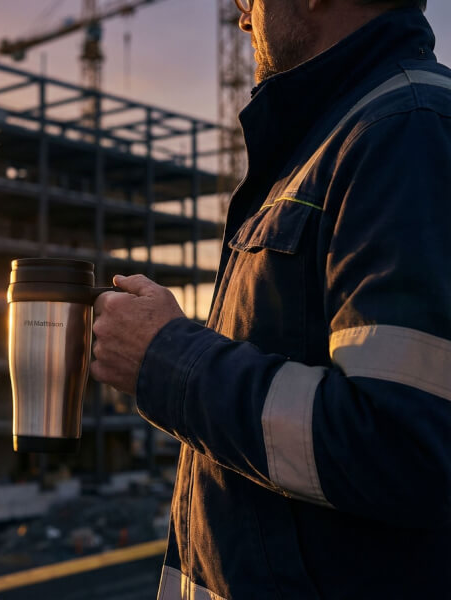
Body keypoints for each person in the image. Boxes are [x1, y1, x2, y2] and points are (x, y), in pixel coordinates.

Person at [91, 0, 450, 598]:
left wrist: (166, 358)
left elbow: (406, 444)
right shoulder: (336, 141)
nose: (241, 18)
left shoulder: (406, 130)